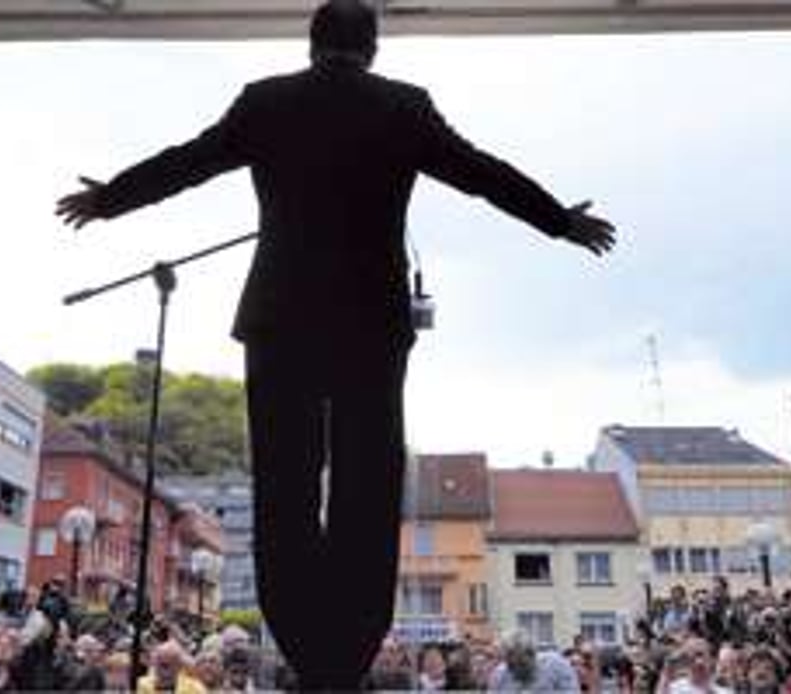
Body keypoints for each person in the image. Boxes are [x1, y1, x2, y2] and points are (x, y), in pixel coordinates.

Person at [57, 0, 616, 686]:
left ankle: (299, 638)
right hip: (367, 324)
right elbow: (481, 175)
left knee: (284, 481)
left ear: (312, 41)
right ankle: (348, 647)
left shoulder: (265, 103)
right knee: (366, 480)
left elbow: (188, 163)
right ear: (372, 47)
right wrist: (558, 220)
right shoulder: (403, 108)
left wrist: (109, 198)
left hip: (279, 319)